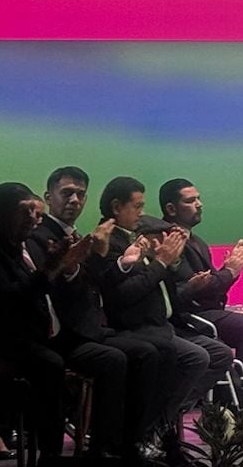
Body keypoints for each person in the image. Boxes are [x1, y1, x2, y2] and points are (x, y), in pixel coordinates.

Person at [27, 167, 167, 459]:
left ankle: (131, 441)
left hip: (89, 327)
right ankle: (106, 447)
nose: (74, 200)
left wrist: (116, 262)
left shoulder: (80, 236)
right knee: (120, 357)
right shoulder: (40, 238)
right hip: (64, 333)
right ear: (48, 197)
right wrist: (84, 263)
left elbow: (93, 283)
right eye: (67, 193)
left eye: (80, 195)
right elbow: (53, 291)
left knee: (148, 352)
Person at [0, 183, 95, 461]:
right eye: (25, 212)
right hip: (0, 343)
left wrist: (67, 267)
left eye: (34, 212)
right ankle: (51, 457)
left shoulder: (22, 246)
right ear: (1, 213)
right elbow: (10, 302)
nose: (34, 218)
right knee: (51, 364)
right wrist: (49, 269)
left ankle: (106, 448)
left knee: (110, 351)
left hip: (34, 336)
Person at [95, 176, 232, 443]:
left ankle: (166, 414)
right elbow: (125, 294)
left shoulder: (139, 238)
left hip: (166, 324)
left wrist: (169, 264)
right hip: (136, 327)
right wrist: (161, 262)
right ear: (116, 207)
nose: (142, 214)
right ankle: (154, 424)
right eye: (136, 206)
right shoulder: (110, 241)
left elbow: (163, 288)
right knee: (195, 357)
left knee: (219, 354)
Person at [159, 178, 243, 426]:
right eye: (190, 201)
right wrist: (229, 272)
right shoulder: (168, 241)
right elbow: (189, 291)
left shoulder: (196, 241)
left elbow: (213, 288)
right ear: (171, 209)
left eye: (199, 198)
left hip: (210, 309)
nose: (199, 205)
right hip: (187, 317)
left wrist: (233, 269)